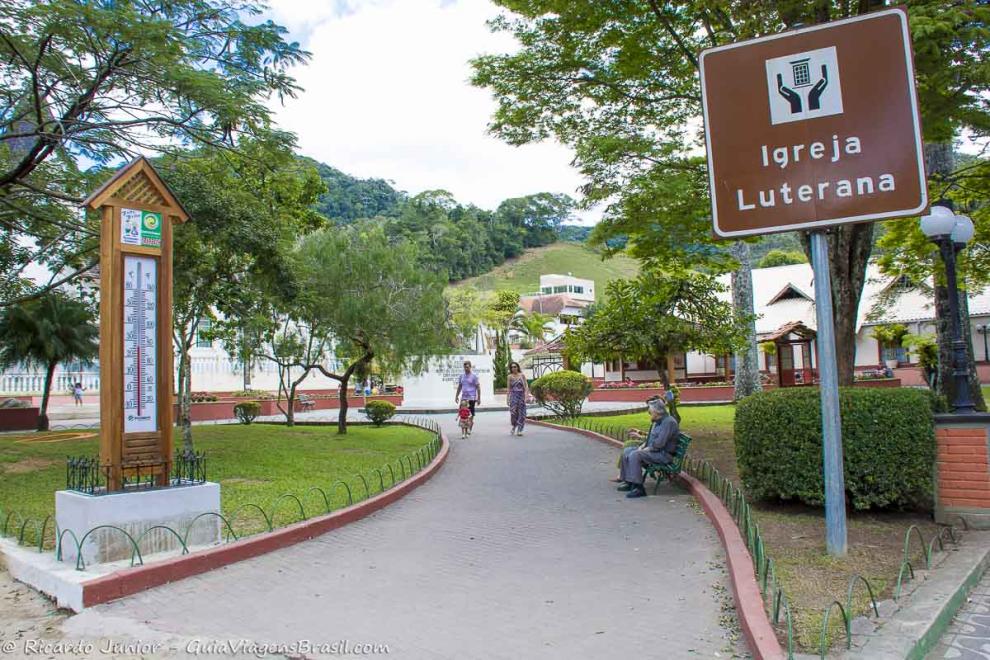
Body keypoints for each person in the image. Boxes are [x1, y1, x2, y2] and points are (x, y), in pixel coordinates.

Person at [617, 397, 680, 498]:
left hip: (664, 455)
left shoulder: (669, 422)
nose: (649, 413)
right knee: (627, 451)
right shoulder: (657, 421)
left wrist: (645, 449)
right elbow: (651, 438)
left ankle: (639, 487)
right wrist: (643, 446)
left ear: (657, 412)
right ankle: (629, 482)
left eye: (651, 412)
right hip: (655, 451)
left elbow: (659, 444)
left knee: (635, 455)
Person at [454, 361, 481, 427]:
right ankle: (465, 428)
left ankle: (470, 425)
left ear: (470, 367)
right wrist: (456, 396)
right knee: (462, 413)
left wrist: (479, 398)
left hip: (471, 398)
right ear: (464, 367)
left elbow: (478, 388)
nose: (466, 368)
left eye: (468, 367)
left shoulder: (474, 376)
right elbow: (460, 386)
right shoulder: (462, 376)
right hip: (464, 398)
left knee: (471, 413)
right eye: (465, 367)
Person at [506, 361, 530, 436]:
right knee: (513, 413)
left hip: (521, 395)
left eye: (515, 367)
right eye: (512, 367)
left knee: (521, 413)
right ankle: (514, 426)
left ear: (517, 367)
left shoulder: (522, 375)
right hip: (513, 396)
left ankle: (520, 429)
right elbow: (509, 388)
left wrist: (526, 396)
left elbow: (526, 386)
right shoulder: (509, 376)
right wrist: (507, 398)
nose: (513, 368)